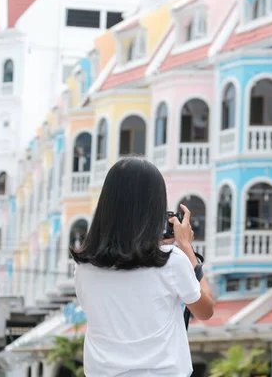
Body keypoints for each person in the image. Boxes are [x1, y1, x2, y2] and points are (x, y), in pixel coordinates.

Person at [72, 157, 214, 377]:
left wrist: (151, 248)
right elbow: (205, 310)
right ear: (154, 208)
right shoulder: (172, 261)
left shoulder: (84, 268)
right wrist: (186, 247)